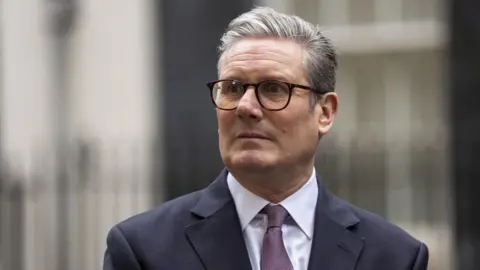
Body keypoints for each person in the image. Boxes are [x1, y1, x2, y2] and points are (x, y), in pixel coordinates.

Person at [103, 6, 429, 270]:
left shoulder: (395, 257)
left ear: (325, 112)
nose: (246, 107)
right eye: (232, 88)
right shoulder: (142, 250)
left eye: (274, 89)